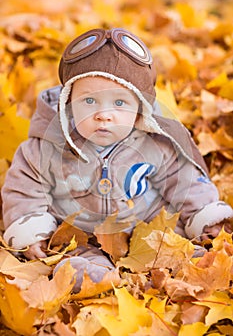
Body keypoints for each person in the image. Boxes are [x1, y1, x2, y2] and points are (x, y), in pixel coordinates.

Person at [1, 28, 233, 292]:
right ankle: (95, 276)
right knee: (72, 256)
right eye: (89, 100)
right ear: (68, 104)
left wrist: (204, 213)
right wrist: (32, 230)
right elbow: (25, 187)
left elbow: (182, 178)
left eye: (120, 103)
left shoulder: (153, 143)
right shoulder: (45, 149)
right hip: (82, 234)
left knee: (175, 243)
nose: (104, 115)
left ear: (139, 110)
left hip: (144, 226)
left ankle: (187, 261)